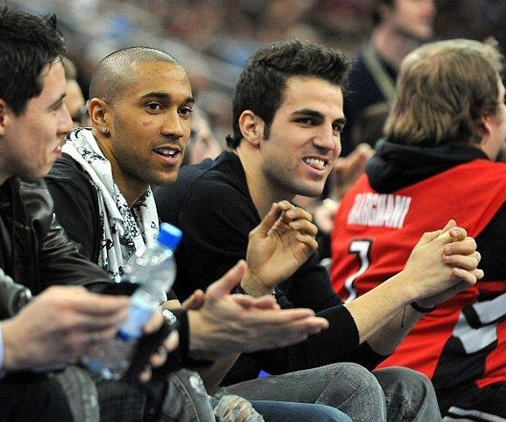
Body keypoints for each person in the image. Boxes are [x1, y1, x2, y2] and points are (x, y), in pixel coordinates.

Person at [155, 39, 483, 422]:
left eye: (337, 126)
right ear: (252, 126)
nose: (329, 142)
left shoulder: (287, 215)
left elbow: (343, 346)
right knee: (350, 385)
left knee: (406, 387)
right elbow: (292, 355)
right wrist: (406, 282)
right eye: (308, 120)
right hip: (185, 396)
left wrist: (418, 301)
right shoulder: (210, 199)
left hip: (232, 387)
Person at [46, 45, 352, 422]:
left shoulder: (143, 209)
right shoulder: (64, 189)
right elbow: (90, 340)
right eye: (154, 107)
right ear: (100, 115)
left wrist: (252, 285)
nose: (176, 129)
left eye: (185, 111)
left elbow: (201, 379)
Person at [0, 1, 167, 421]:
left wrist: (142, 317)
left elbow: (66, 265)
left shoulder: (23, 182)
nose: (69, 124)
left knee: (153, 371)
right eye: (54, 107)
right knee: (76, 385)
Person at [330, 39, 506, 420]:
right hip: (444, 402)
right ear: (484, 119)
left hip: (354, 391)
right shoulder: (494, 189)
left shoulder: (358, 190)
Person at [342, 0, 436, 155]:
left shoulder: (435, 75)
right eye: (416, 1)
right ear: (384, 6)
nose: (429, 9)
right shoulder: (350, 80)